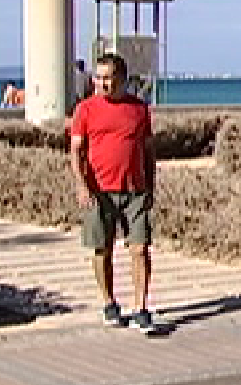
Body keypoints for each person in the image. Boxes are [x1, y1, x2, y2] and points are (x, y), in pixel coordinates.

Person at [68, 52, 167, 336]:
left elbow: (148, 150)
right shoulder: (85, 109)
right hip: (99, 191)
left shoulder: (139, 109)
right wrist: (81, 184)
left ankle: (140, 307)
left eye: (108, 78)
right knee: (102, 250)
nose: (102, 83)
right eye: (98, 78)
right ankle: (109, 301)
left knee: (139, 249)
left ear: (122, 79)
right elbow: (76, 151)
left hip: (135, 190)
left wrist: (151, 183)